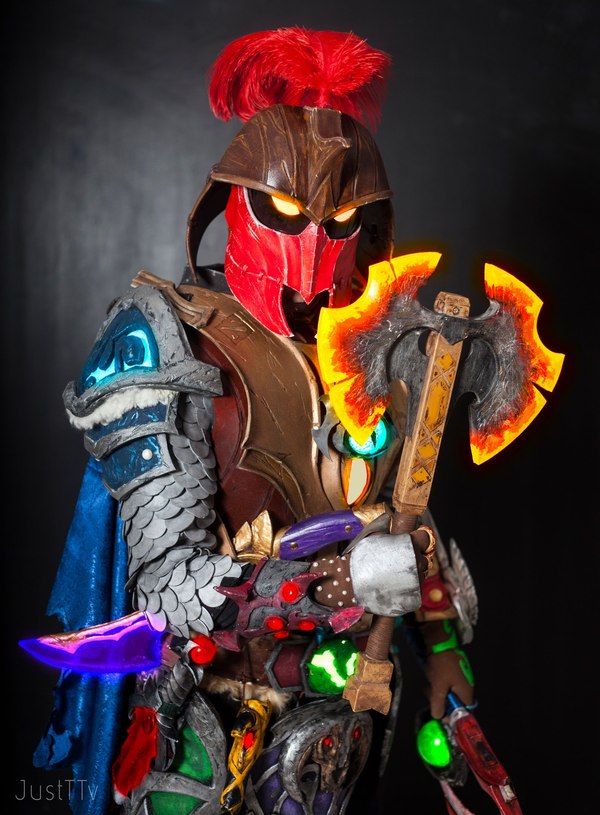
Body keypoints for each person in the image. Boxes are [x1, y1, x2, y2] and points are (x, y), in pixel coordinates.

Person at [28, 28, 476, 815]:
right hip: (204, 735)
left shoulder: (375, 347)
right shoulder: (161, 340)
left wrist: (446, 670)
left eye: (342, 220)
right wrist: (345, 581)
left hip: (335, 743)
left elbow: (412, 532)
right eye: (287, 211)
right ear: (233, 201)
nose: (315, 244)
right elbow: (171, 589)